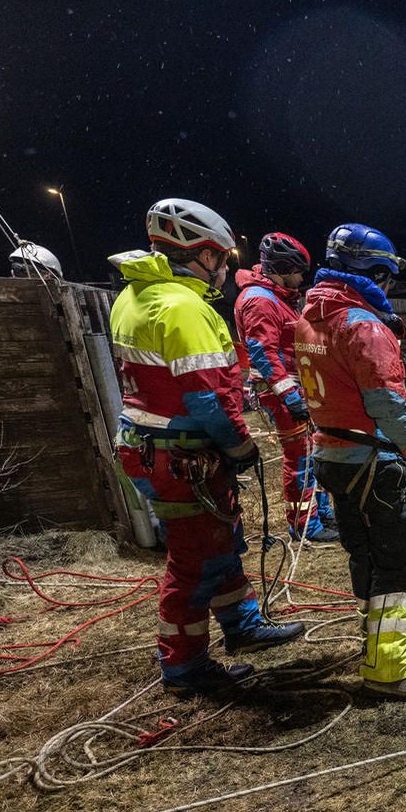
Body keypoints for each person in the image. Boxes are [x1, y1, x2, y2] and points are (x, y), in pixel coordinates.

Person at [109, 198, 302, 696]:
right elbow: (208, 397)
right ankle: (185, 666)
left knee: (219, 541)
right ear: (200, 254)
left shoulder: (133, 298)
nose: (222, 267)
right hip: (180, 456)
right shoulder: (183, 308)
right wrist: (238, 447)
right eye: (219, 256)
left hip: (155, 449)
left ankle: (242, 625)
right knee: (193, 561)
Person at [294, 222, 406, 702]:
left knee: (365, 554)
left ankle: (385, 639)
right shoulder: (362, 325)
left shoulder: (309, 318)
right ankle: (387, 667)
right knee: (400, 563)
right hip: (371, 462)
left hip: (331, 456)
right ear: (377, 272)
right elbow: (388, 405)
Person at [234, 231, 338, 542]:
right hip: (283, 393)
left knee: (314, 452)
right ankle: (303, 524)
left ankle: (320, 512)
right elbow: (262, 352)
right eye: (297, 272)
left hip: (298, 389)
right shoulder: (259, 301)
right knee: (301, 458)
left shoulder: (277, 299)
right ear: (282, 269)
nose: (300, 279)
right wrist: (289, 396)